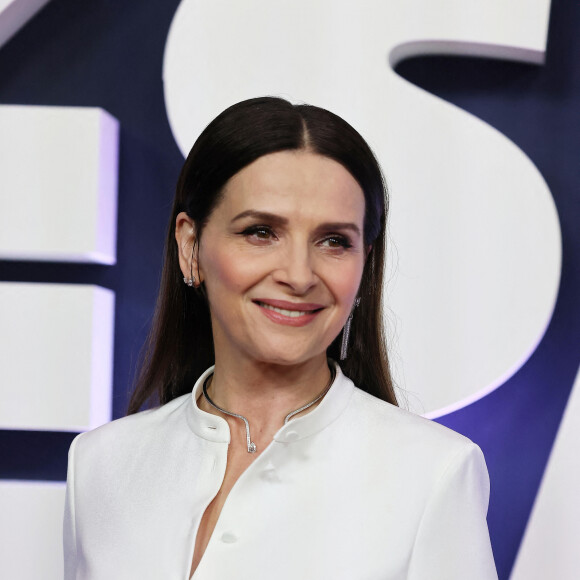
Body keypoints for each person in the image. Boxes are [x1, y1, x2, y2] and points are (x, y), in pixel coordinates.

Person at [63, 97, 498, 579]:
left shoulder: (434, 474)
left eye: (334, 241)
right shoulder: (100, 465)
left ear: (364, 262)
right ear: (190, 244)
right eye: (261, 231)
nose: (298, 274)